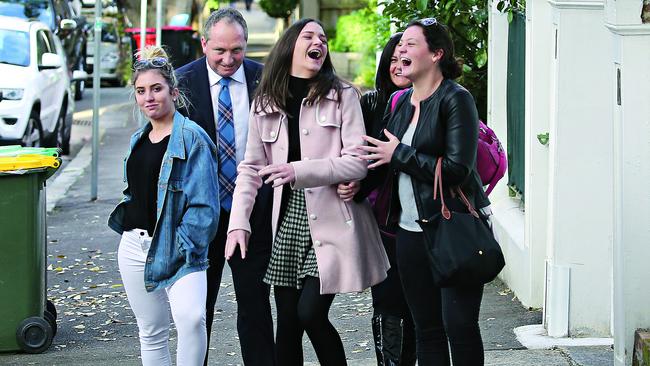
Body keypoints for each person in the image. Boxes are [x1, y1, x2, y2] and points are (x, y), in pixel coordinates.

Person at [225, 18, 390, 366]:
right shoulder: (265, 102)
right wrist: (238, 222)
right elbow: (251, 169)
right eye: (309, 36)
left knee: (309, 313)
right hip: (286, 220)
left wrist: (297, 170)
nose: (319, 42)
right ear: (290, 46)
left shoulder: (342, 95)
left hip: (332, 217)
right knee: (287, 323)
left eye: (323, 38)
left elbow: (357, 162)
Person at [359, 19, 490, 366]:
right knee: (427, 330)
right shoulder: (400, 102)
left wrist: (399, 153)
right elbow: (386, 165)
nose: (401, 49)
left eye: (411, 44)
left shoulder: (456, 99)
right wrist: (357, 185)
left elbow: (458, 169)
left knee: (459, 327)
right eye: (400, 44)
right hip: (409, 234)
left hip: (451, 228)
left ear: (436, 54)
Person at [107, 46, 220, 365]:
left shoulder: (193, 139)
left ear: (173, 90)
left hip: (179, 248)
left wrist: (183, 246)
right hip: (134, 246)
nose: (149, 97)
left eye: (156, 88)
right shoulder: (138, 140)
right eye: (141, 91)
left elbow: (205, 211)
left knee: (191, 320)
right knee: (151, 330)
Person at [176, 8, 275, 366]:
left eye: (237, 50)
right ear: (203, 44)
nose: (229, 59)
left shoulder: (265, 80)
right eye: (219, 51)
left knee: (256, 309)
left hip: (252, 214)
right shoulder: (181, 85)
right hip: (201, 217)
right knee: (197, 313)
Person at [337, 32, 416, 366]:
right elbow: (359, 158)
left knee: (420, 303)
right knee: (386, 300)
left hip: (421, 218)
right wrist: (355, 183)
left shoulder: (430, 103)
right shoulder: (370, 103)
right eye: (393, 60)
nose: (398, 66)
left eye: (405, 59)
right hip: (382, 222)